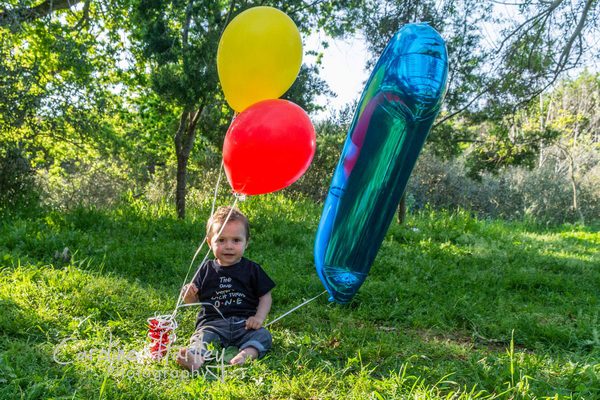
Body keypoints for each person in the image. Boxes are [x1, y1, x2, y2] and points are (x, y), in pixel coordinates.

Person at [176, 206, 275, 371]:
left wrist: (258, 318)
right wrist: (188, 294)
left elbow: (265, 296)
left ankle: (245, 355)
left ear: (246, 242)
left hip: (245, 324)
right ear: (210, 242)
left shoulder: (252, 269)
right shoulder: (205, 268)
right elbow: (192, 301)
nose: (229, 246)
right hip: (212, 324)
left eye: (236, 240)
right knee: (202, 337)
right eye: (221, 240)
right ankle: (195, 358)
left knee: (263, 335)